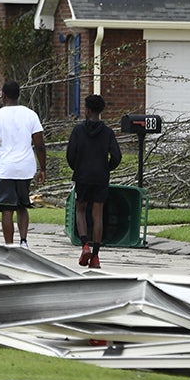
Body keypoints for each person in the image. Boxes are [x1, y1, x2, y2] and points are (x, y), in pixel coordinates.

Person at [0, 80, 46, 247]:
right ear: (19, 95)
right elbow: (40, 145)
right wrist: (43, 169)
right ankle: (24, 241)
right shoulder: (31, 115)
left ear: (3, 96)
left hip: (5, 169)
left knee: (7, 209)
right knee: (22, 205)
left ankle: (10, 246)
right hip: (25, 168)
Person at [65, 94, 122, 268]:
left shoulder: (78, 131)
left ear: (88, 110)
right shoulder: (108, 132)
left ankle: (85, 246)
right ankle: (96, 256)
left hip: (82, 175)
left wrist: (77, 167)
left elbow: (70, 155)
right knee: (98, 215)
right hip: (101, 177)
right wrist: (107, 168)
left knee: (80, 210)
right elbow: (117, 156)